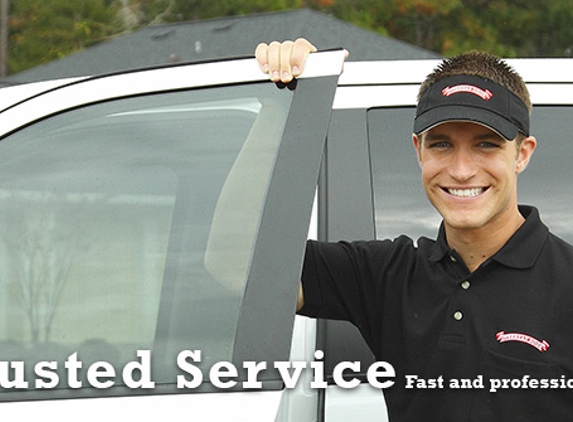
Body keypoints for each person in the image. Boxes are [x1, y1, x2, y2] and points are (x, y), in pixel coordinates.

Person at [256, 39, 573, 421]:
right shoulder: (387, 274)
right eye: (441, 144)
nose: (461, 170)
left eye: (486, 145)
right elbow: (239, 266)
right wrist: (280, 105)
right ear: (418, 150)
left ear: (522, 154)